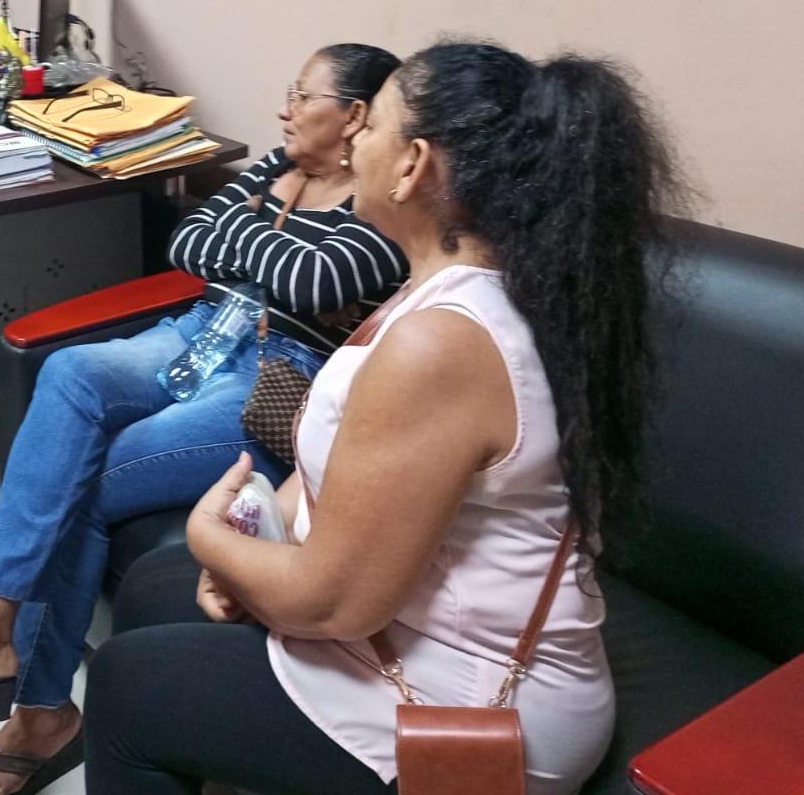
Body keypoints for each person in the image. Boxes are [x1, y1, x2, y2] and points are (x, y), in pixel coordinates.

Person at [83, 41, 686, 794]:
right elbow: (341, 473)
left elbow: (330, 603)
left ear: (413, 165)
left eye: (371, 128)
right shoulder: (441, 289)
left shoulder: (444, 341)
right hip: (401, 630)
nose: (354, 144)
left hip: (475, 704)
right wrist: (249, 539)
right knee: (154, 584)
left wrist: (213, 535)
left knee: (126, 687)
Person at [0, 44, 408, 795]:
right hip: (199, 330)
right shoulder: (276, 164)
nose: (283, 109)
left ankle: (39, 710)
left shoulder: (381, 199)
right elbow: (188, 242)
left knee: (85, 477)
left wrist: (245, 241)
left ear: (353, 115)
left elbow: (312, 282)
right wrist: (261, 249)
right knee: (68, 371)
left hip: (275, 375)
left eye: (302, 94)